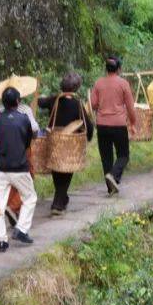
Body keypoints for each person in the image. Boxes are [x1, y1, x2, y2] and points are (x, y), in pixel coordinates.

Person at [37, 72, 94, 215]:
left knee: (57, 169)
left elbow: (40, 103)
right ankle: (58, 203)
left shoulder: (54, 99)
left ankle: (62, 199)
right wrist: (89, 137)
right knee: (67, 170)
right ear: (77, 87)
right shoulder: (77, 104)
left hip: (55, 141)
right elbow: (88, 125)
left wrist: (37, 93)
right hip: (70, 144)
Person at [0, 87, 37, 253]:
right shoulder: (24, 118)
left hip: (1, 167)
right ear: (18, 102)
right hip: (19, 167)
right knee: (30, 197)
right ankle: (21, 229)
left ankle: (1, 241)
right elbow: (28, 140)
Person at [90, 56, 136, 196]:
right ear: (119, 69)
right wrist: (133, 123)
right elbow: (130, 107)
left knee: (106, 157)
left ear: (106, 68)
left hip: (102, 125)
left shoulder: (98, 83)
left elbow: (92, 105)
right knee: (123, 155)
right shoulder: (123, 84)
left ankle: (111, 188)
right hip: (118, 124)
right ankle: (114, 175)